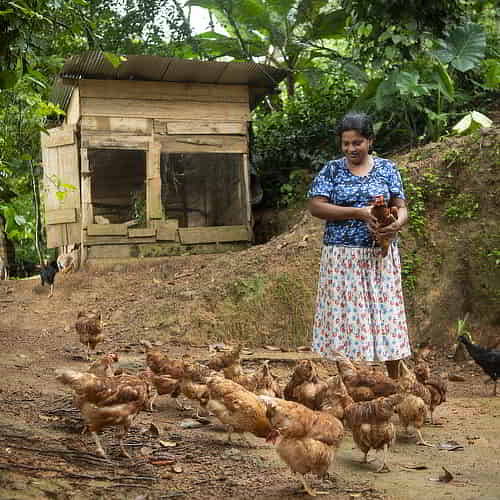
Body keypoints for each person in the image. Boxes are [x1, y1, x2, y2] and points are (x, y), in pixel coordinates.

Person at [307, 111, 411, 379]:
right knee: (347, 321)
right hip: (342, 257)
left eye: (357, 143)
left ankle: (396, 382)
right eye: (346, 144)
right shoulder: (331, 169)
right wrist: (358, 212)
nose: (351, 148)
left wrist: (395, 224)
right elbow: (316, 206)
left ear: (369, 141)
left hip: (381, 255)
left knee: (386, 317)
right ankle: (349, 384)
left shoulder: (387, 168)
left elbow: (402, 208)